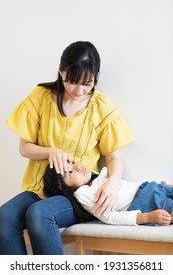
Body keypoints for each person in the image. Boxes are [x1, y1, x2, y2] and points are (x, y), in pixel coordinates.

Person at [0, 41, 132, 255]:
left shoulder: (101, 107)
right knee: (5, 216)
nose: (79, 90)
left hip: (80, 193)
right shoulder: (40, 97)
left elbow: (113, 157)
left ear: (96, 77)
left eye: (87, 83)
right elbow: (24, 148)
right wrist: (50, 151)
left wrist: (113, 184)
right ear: (60, 71)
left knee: (39, 214)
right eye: (72, 81)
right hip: (40, 188)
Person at [43, 162, 173, 226]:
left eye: (72, 162)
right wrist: (147, 218)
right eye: (70, 173)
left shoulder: (93, 178)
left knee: (162, 189)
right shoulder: (83, 194)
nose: (77, 167)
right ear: (67, 189)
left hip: (147, 188)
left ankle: (165, 187)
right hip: (142, 201)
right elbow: (110, 217)